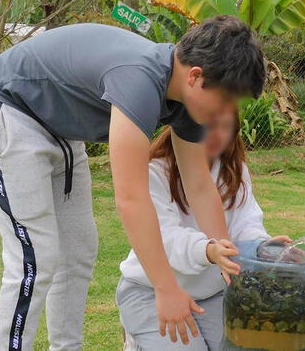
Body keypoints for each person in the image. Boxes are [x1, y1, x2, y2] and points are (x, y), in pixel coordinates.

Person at [0, 16, 266, 350]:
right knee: (35, 258)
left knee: (78, 250)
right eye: (225, 101)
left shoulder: (185, 102)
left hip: (59, 131)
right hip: (8, 108)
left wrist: (228, 256)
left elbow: (199, 186)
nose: (225, 113)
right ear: (196, 76)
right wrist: (165, 290)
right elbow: (131, 199)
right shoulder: (139, 81)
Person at [117, 106, 282, 350]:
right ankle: (138, 341)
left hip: (212, 294)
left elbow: (246, 224)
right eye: (207, 126)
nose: (216, 136)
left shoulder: (234, 171)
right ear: (183, 126)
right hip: (150, 291)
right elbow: (163, 237)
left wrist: (264, 248)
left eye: (225, 128)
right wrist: (208, 250)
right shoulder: (154, 171)